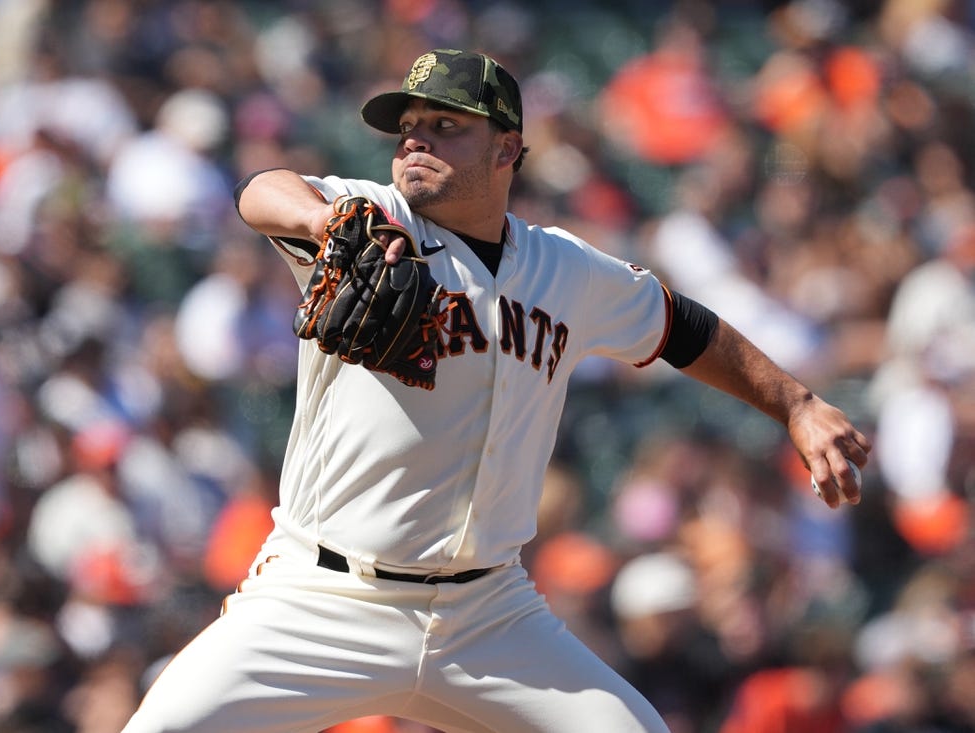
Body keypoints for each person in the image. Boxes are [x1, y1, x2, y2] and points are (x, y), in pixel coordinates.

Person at [121, 48, 872, 733]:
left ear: (508, 148)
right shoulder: (370, 216)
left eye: (445, 125)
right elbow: (261, 190)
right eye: (408, 127)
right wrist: (321, 221)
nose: (415, 140)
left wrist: (797, 405)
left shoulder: (567, 271)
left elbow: (683, 328)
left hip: (488, 613)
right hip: (324, 596)